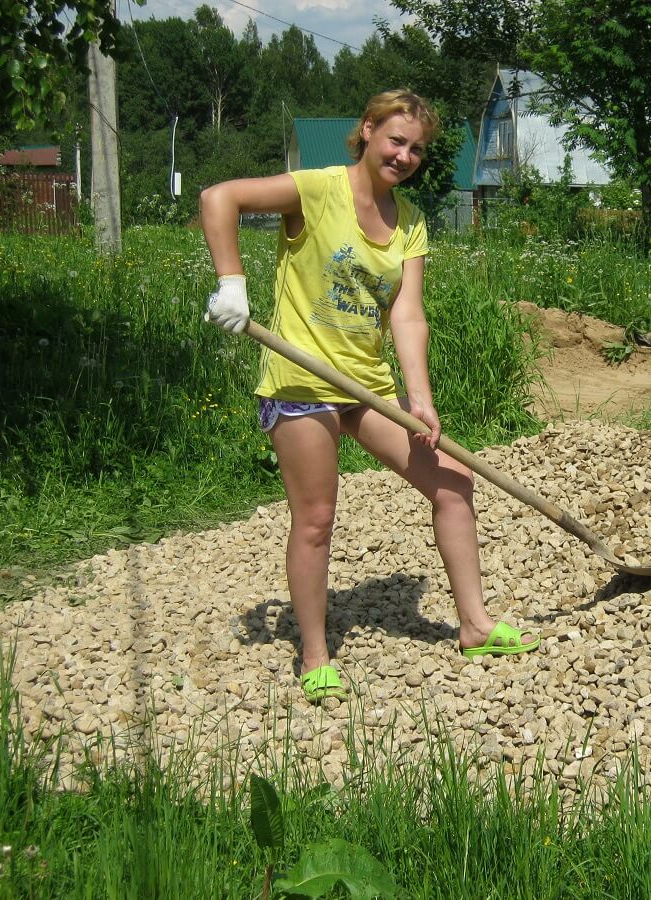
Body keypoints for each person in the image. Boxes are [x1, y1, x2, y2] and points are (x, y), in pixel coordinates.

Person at [200, 89, 539, 703]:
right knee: (316, 520)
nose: (405, 155)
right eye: (395, 140)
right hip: (302, 383)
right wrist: (231, 283)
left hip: (367, 387)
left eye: (416, 148)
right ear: (367, 130)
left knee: (454, 481)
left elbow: (407, 315)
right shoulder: (318, 188)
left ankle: (474, 625)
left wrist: (419, 397)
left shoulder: (409, 221)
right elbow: (217, 198)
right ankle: (314, 653)